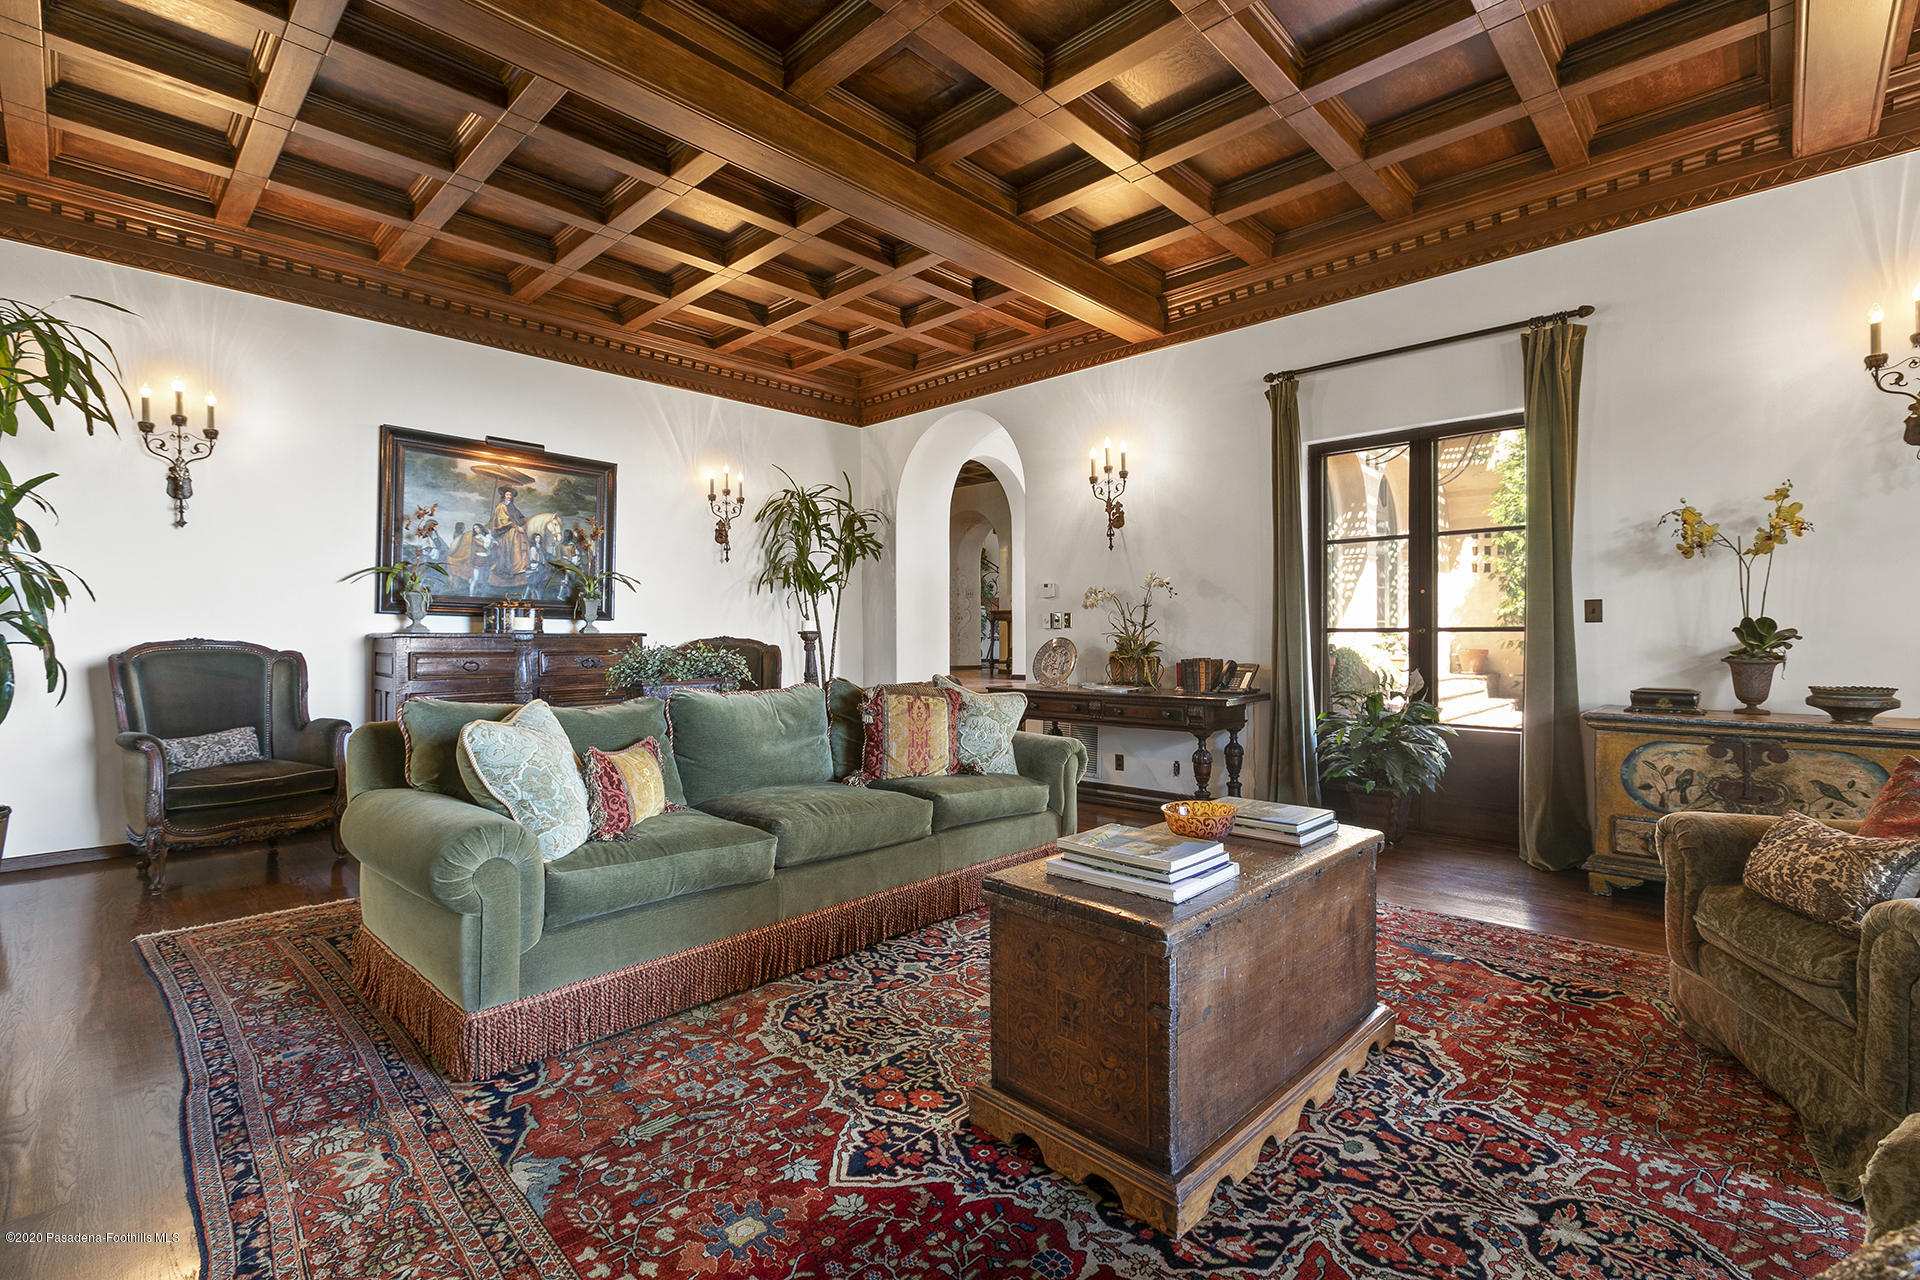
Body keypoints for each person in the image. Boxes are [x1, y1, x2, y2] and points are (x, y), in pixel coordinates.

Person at [488, 486, 532, 591]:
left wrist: (525, 519)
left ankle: (521, 566)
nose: (509, 496)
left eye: (510, 495)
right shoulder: (501, 506)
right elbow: (503, 520)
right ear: (504, 495)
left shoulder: (511, 506)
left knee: (522, 537)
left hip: (514, 528)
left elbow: (519, 516)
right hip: (505, 531)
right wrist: (516, 526)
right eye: (507, 494)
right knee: (515, 537)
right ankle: (510, 568)